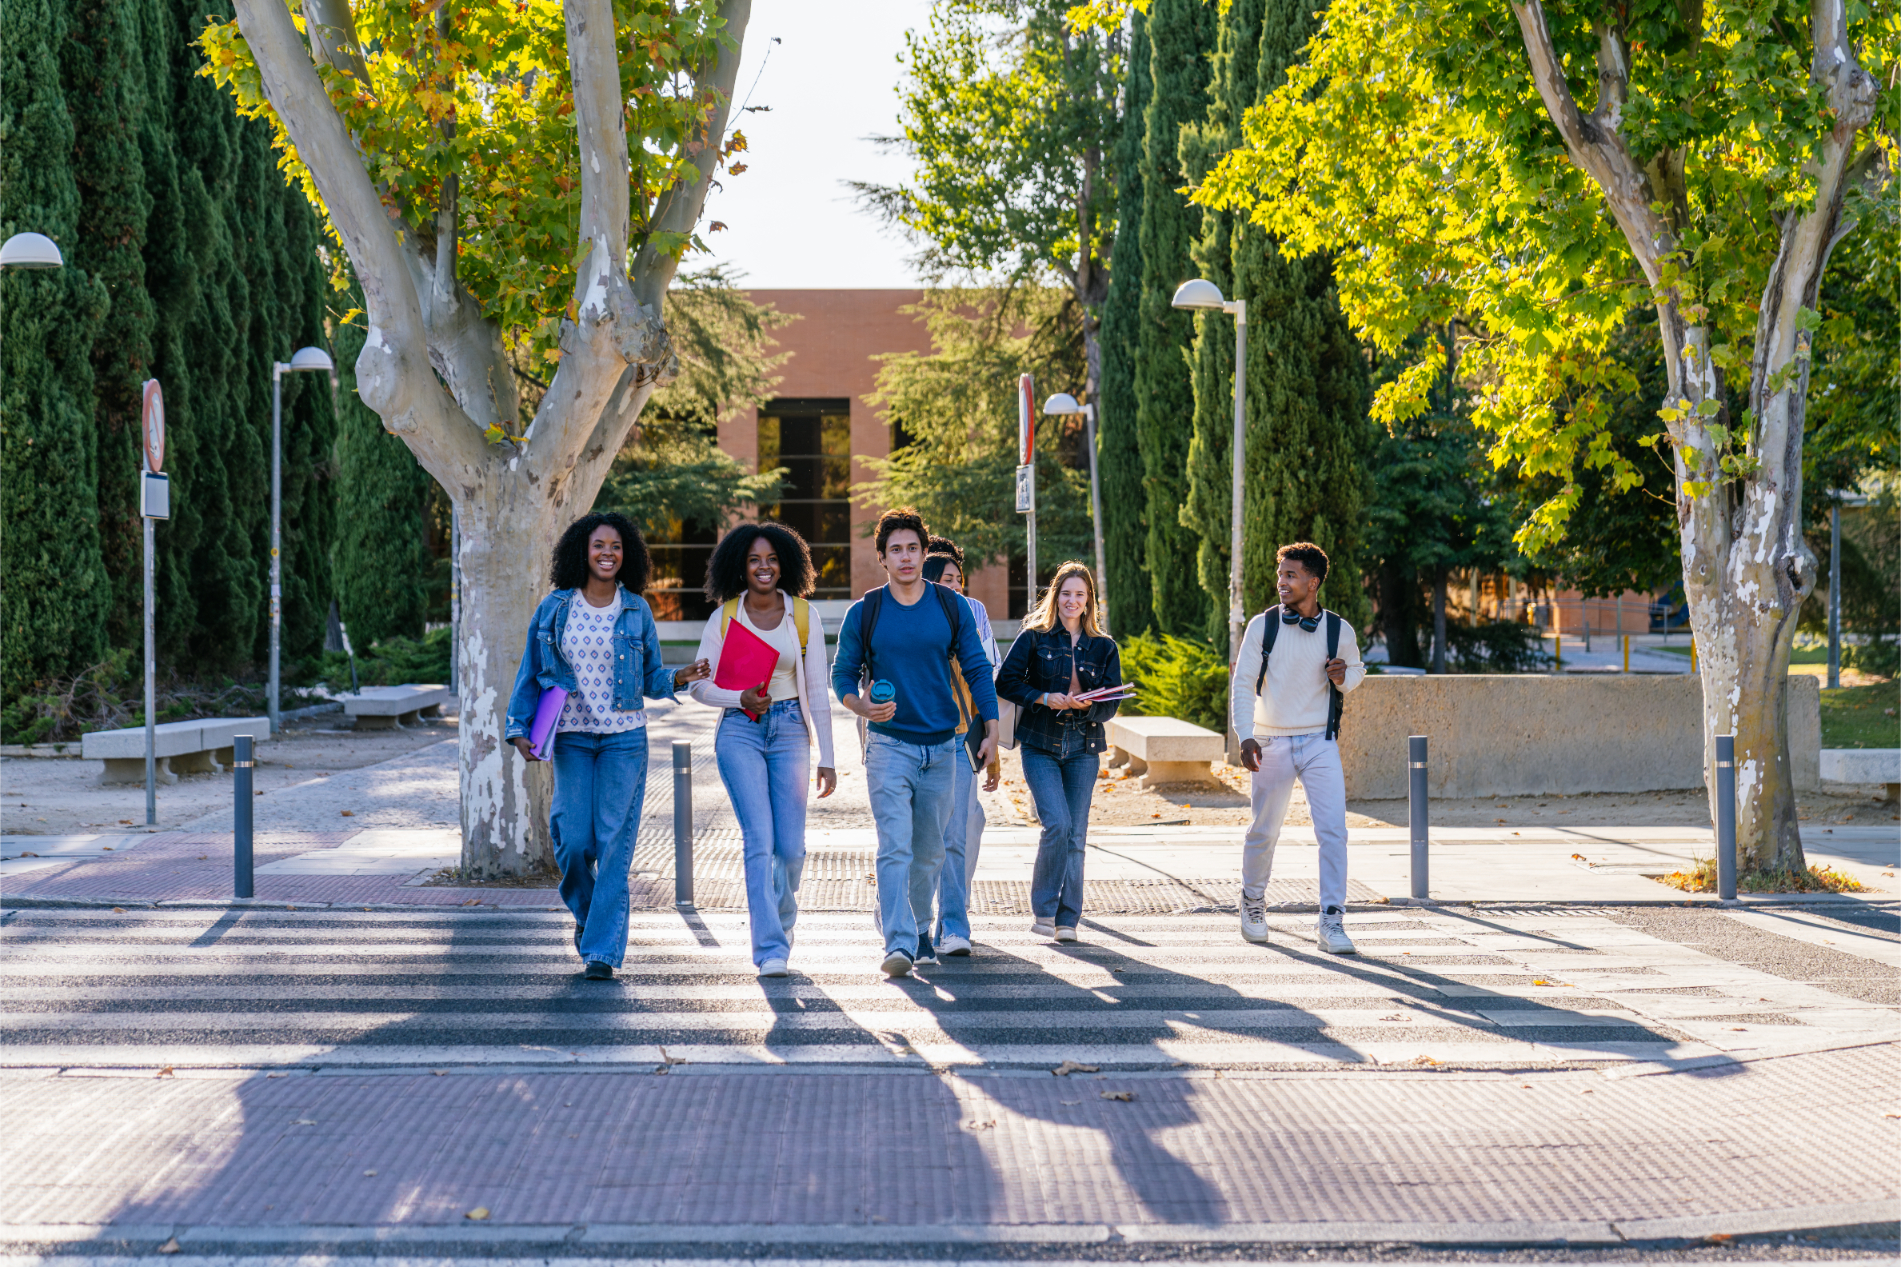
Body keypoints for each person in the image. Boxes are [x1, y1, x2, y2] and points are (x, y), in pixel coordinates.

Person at [505, 512, 710, 980]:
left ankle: (601, 951)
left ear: (627, 555)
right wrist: (518, 727)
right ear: (583, 550)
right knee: (574, 840)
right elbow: (531, 670)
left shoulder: (636, 609)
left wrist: (678, 677)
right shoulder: (556, 607)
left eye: (616, 546)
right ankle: (589, 914)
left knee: (614, 843)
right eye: (599, 545)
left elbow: (649, 677)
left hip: (624, 739)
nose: (607, 553)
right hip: (571, 737)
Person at [832, 508, 999, 978]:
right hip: (888, 747)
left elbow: (977, 668)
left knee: (929, 853)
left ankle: (920, 927)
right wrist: (861, 706)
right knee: (894, 846)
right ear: (882, 558)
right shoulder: (865, 612)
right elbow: (842, 673)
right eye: (895, 550)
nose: (905, 557)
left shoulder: (951, 607)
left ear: (924, 553)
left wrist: (991, 727)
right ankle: (899, 941)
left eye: (912, 548)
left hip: (943, 747)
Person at [688, 523, 836, 978]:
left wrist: (828, 757)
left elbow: (817, 689)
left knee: (790, 849)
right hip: (740, 732)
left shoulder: (804, 616)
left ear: (785, 564)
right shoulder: (725, 617)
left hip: (790, 730)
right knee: (760, 840)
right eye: (754, 560)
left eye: (771, 559)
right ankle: (770, 948)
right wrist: (740, 699)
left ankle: (782, 922)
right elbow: (699, 686)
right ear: (741, 566)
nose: (764, 567)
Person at [1230, 541, 1366, 954]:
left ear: (1313, 581)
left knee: (1334, 831)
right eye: (1280, 574)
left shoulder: (1339, 630)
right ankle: (1253, 902)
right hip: (1270, 739)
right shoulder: (1263, 626)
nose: (1282, 582)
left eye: (1291, 575)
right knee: (1264, 830)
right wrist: (1245, 734)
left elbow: (1356, 672)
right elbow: (1242, 683)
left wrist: (1343, 677)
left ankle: (1332, 919)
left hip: (1320, 741)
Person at [995, 562, 1122, 942]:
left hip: (1084, 746)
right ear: (1055, 596)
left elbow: (1112, 702)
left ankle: (1068, 920)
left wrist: (1089, 706)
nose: (1072, 600)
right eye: (1066, 593)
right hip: (1040, 744)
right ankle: (1044, 911)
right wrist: (1043, 697)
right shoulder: (1034, 638)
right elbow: (1005, 682)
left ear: (1089, 600)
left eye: (1079, 594)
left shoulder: (1104, 646)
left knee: (1077, 835)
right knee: (1058, 824)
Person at [921, 548, 1001, 957]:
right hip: (912, 737)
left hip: (958, 736)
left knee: (957, 833)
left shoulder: (971, 614)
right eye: (946, 579)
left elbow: (987, 674)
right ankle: (908, 918)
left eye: (958, 579)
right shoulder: (907, 611)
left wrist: (992, 738)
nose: (954, 586)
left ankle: (953, 925)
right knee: (918, 835)